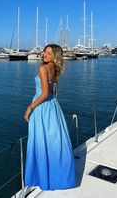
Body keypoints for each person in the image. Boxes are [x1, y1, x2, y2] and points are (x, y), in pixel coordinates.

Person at [24, 43, 76, 191]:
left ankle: (42, 177)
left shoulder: (42, 68)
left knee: (40, 142)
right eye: (44, 52)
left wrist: (30, 107)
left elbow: (45, 93)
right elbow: (53, 92)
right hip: (53, 107)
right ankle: (59, 177)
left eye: (49, 53)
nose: (44, 54)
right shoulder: (55, 69)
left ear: (55, 56)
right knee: (54, 143)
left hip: (41, 108)